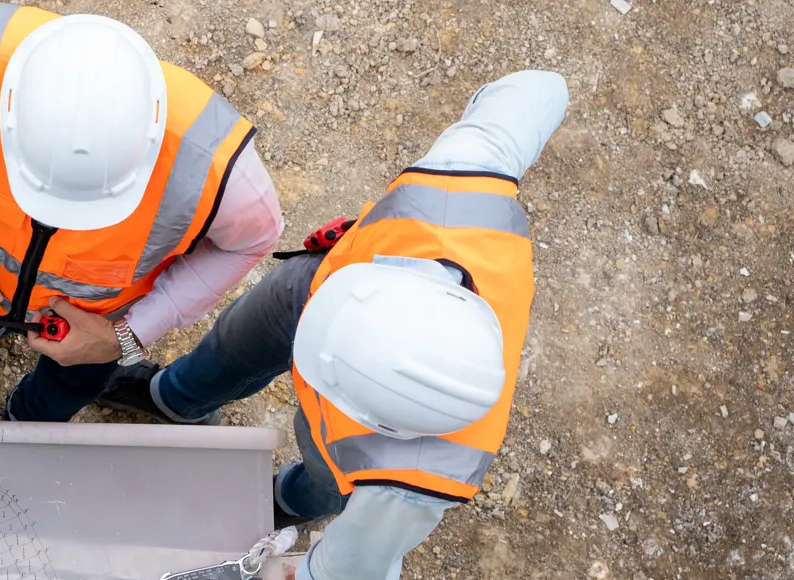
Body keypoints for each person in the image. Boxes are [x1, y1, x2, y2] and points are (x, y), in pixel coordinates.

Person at [103, 70, 570, 578]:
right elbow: (541, 89)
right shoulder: (460, 189)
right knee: (238, 342)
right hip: (323, 284)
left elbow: (345, 570)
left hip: (347, 395)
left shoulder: (407, 486)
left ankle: (286, 501)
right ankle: (175, 399)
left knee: (328, 481)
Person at [0, 3, 284, 422]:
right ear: (8, 111)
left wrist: (125, 337)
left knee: (67, 387)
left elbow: (254, 240)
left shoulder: (219, 170)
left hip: (98, 323)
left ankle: (25, 421)